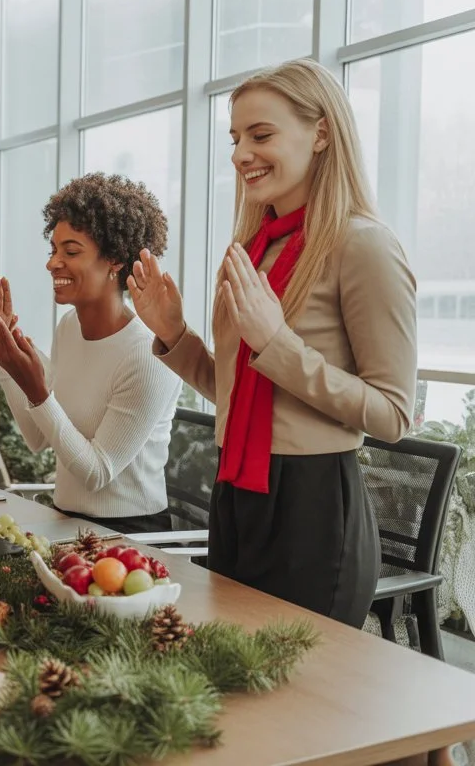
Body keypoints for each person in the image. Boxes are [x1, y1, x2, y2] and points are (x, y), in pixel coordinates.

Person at [128, 58, 416, 627]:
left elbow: (393, 415)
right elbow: (239, 390)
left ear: (322, 133)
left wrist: (277, 343)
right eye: (236, 137)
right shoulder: (255, 248)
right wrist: (174, 335)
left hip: (313, 506)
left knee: (302, 705)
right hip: (237, 495)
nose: (240, 154)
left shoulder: (365, 247)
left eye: (261, 135)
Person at [0, 174, 183, 533]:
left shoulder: (149, 354)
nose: (53, 263)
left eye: (71, 252)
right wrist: (4, 358)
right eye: (53, 250)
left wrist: (37, 390)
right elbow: (37, 438)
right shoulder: (68, 328)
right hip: (65, 524)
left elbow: (97, 473)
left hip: (129, 538)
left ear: (115, 260)